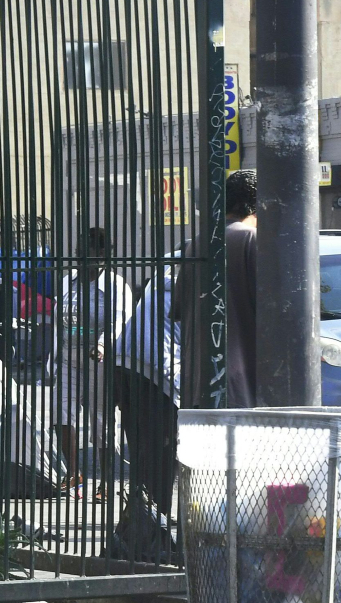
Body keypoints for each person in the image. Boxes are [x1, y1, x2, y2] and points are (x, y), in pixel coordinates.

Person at [53, 227, 134, 497]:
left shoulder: (116, 285)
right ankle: (74, 473)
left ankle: (107, 481)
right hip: (68, 359)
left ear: (102, 255)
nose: (78, 258)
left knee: (101, 422)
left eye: (84, 253)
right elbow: (57, 318)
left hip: (99, 361)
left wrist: (102, 345)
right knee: (60, 413)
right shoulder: (68, 282)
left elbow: (120, 320)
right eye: (77, 253)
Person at [177, 168, 258, 408]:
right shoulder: (251, 239)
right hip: (242, 381)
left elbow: (179, 309)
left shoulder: (199, 242)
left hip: (201, 378)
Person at [114, 254, 181, 511]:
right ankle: (157, 514)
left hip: (124, 365)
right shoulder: (195, 297)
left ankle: (139, 511)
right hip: (156, 373)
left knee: (142, 447)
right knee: (164, 450)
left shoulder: (155, 290)